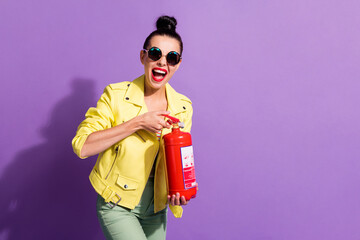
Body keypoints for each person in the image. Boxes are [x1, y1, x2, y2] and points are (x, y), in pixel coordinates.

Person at [72, 15, 194, 240]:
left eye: (172, 57)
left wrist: (180, 191)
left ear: (178, 64)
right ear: (143, 56)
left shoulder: (183, 107)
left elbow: (178, 161)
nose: (162, 62)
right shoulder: (116, 96)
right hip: (117, 205)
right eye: (155, 54)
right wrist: (138, 122)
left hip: (157, 210)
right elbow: (82, 146)